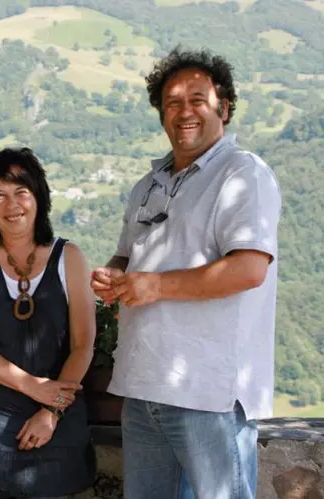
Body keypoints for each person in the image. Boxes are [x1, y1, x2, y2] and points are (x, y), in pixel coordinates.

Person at [90, 47, 281, 499]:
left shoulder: (242, 175)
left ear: (224, 108)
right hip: (142, 386)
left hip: (208, 393)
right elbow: (127, 258)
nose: (184, 111)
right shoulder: (149, 183)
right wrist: (113, 275)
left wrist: (154, 285)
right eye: (173, 103)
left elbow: (249, 269)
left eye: (198, 99)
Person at [0, 147, 96, 499]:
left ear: (39, 198)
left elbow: (83, 344)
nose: (11, 205)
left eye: (21, 193)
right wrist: (31, 386)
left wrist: (51, 409)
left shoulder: (69, 258)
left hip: (58, 406)